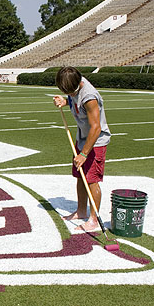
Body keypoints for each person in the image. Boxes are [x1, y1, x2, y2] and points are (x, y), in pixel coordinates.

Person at [53, 66, 111, 232]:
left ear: (78, 84)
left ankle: (93, 219)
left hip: (96, 142)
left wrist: (84, 153)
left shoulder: (89, 97)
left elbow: (96, 127)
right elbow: (73, 98)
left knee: (91, 179)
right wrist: (65, 101)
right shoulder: (75, 87)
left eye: (70, 92)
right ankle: (81, 211)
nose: (70, 94)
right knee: (80, 176)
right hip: (81, 139)